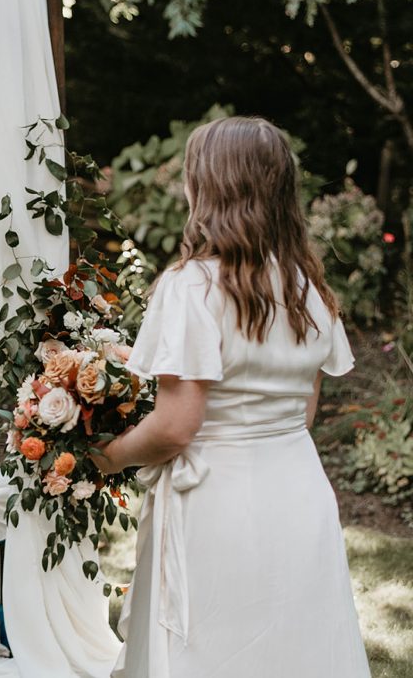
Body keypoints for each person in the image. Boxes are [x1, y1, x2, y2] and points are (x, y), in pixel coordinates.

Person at [93, 117, 371, 677]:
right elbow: (306, 410)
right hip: (297, 489)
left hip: (217, 503)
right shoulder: (309, 288)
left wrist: (107, 457)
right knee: (296, 648)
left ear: (211, 188)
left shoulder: (192, 285)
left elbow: (176, 427)